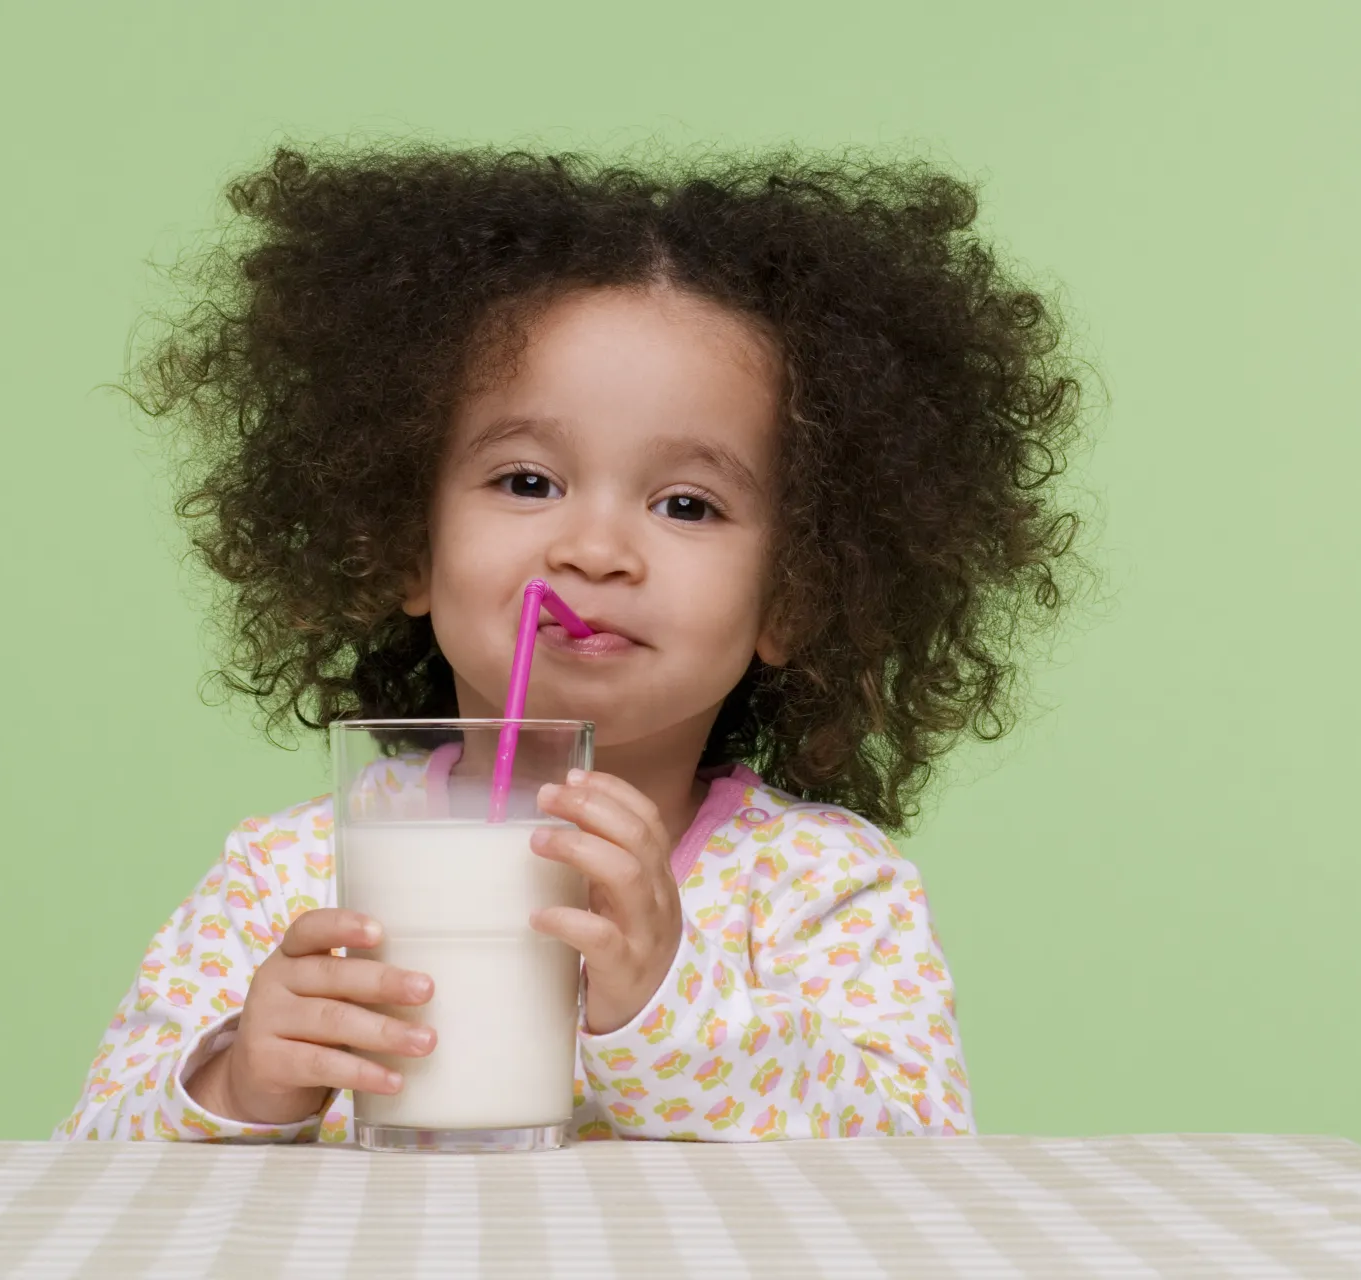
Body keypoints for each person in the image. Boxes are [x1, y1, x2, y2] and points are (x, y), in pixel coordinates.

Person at [57, 145, 1088, 1143]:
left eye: (687, 503)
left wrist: (668, 1000)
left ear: (799, 594)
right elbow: (88, 1156)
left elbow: (926, 1163)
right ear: (400, 545)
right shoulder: (291, 873)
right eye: (525, 481)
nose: (594, 549)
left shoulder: (821, 888)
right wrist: (241, 1079)